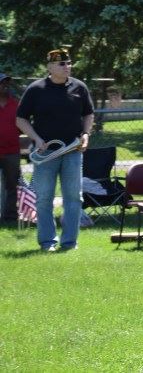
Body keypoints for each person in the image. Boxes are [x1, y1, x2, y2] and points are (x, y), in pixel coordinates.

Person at [15, 49, 94, 251]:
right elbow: (20, 119)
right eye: (62, 64)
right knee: (44, 198)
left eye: (69, 63)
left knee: (74, 198)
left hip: (73, 152)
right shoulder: (36, 89)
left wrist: (86, 134)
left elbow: (88, 114)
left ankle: (70, 242)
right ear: (50, 67)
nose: (67, 67)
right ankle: (48, 242)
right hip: (45, 153)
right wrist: (36, 138)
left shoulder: (79, 87)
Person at [0, 73, 20, 223]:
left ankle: (10, 217)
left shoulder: (16, 105)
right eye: (2, 83)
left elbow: (22, 126)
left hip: (12, 152)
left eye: (7, 83)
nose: (5, 86)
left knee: (12, 185)